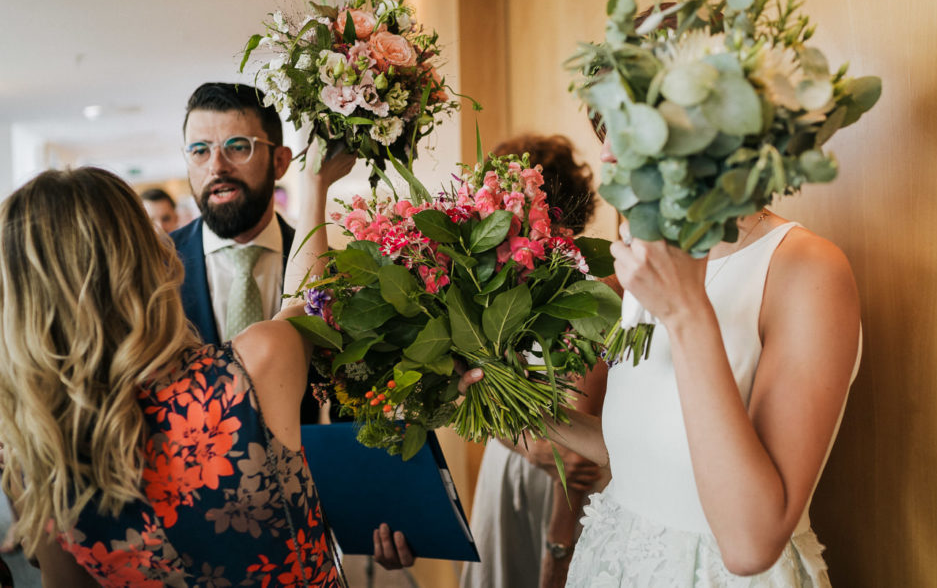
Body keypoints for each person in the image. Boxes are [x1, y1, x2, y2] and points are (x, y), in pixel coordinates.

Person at [460, 130, 862, 585]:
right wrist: (531, 413)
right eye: (604, 127)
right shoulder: (649, 257)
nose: (606, 150)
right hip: (614, 563)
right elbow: (641, 453)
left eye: (628, 119)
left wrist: (685, 313)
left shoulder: (807, 270)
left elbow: (753, 543)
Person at [0, 154, 414, 585]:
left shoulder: (33, 451)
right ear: (141, 257)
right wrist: (314, 185)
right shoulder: (251, 367)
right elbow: (308, 298)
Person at [461, 133, 611, 588]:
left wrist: (558, 549)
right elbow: (472, 388)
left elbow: (576, 458)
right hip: (507, 470)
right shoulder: (487, 284)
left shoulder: (591, 288)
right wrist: (524, 443)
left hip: (565, 483)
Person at [171, 82, 324, 424]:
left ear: (280, 161)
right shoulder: (154, 265)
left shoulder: (324, 261)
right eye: (199, 150)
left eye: (237, 147)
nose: (217, 166)